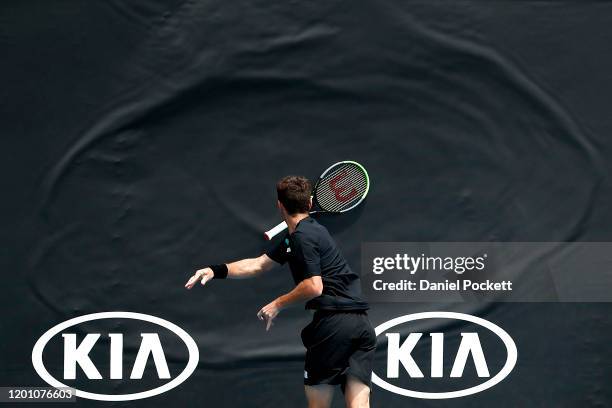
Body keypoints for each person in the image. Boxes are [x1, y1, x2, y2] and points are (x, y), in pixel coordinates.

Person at [185, 175, 376, 408]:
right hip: (361, 325)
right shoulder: (299, 236)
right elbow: (258, 265)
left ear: (280, 206)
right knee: (359, 403)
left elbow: (314, 286)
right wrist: (215, 270)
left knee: (318, 404)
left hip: (333, 325)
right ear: (309, 204)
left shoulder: (302, 238)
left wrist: (277, 304)